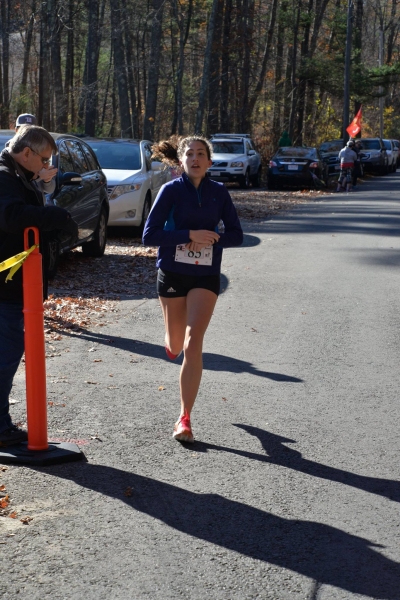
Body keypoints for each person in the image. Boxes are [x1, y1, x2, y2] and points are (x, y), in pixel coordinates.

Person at [142, 136, 243, 443]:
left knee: (193, 341)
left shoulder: (219, 192)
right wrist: (188, 235)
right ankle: (171, 344)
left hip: (206, 275)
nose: (195, 158)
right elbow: (149, 235)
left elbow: (236, 235)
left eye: (201, 154)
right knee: (175, 344)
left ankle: (184, 418)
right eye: (190, 154)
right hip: (173, 272)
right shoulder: (170, 190)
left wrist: (211, 238)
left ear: (209, 162)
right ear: (181, 161)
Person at [0, 125, 78, 446]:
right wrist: (55, 217)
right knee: (5, 354)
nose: (47, 166)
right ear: (26, 152)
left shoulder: (18, 174)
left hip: (15, 284)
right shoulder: (5, 176)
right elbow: (10, 215)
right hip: (6, 286)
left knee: (7, 353)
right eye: (44, 159)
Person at [13, 114, 58, 203]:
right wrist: (38, 176)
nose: (27, 134)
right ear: (16, 130)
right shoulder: (9, 154)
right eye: (23, 129)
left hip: (36, 205)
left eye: (31, 130)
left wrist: (47, 180)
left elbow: (50, 189)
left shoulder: (41, 152)